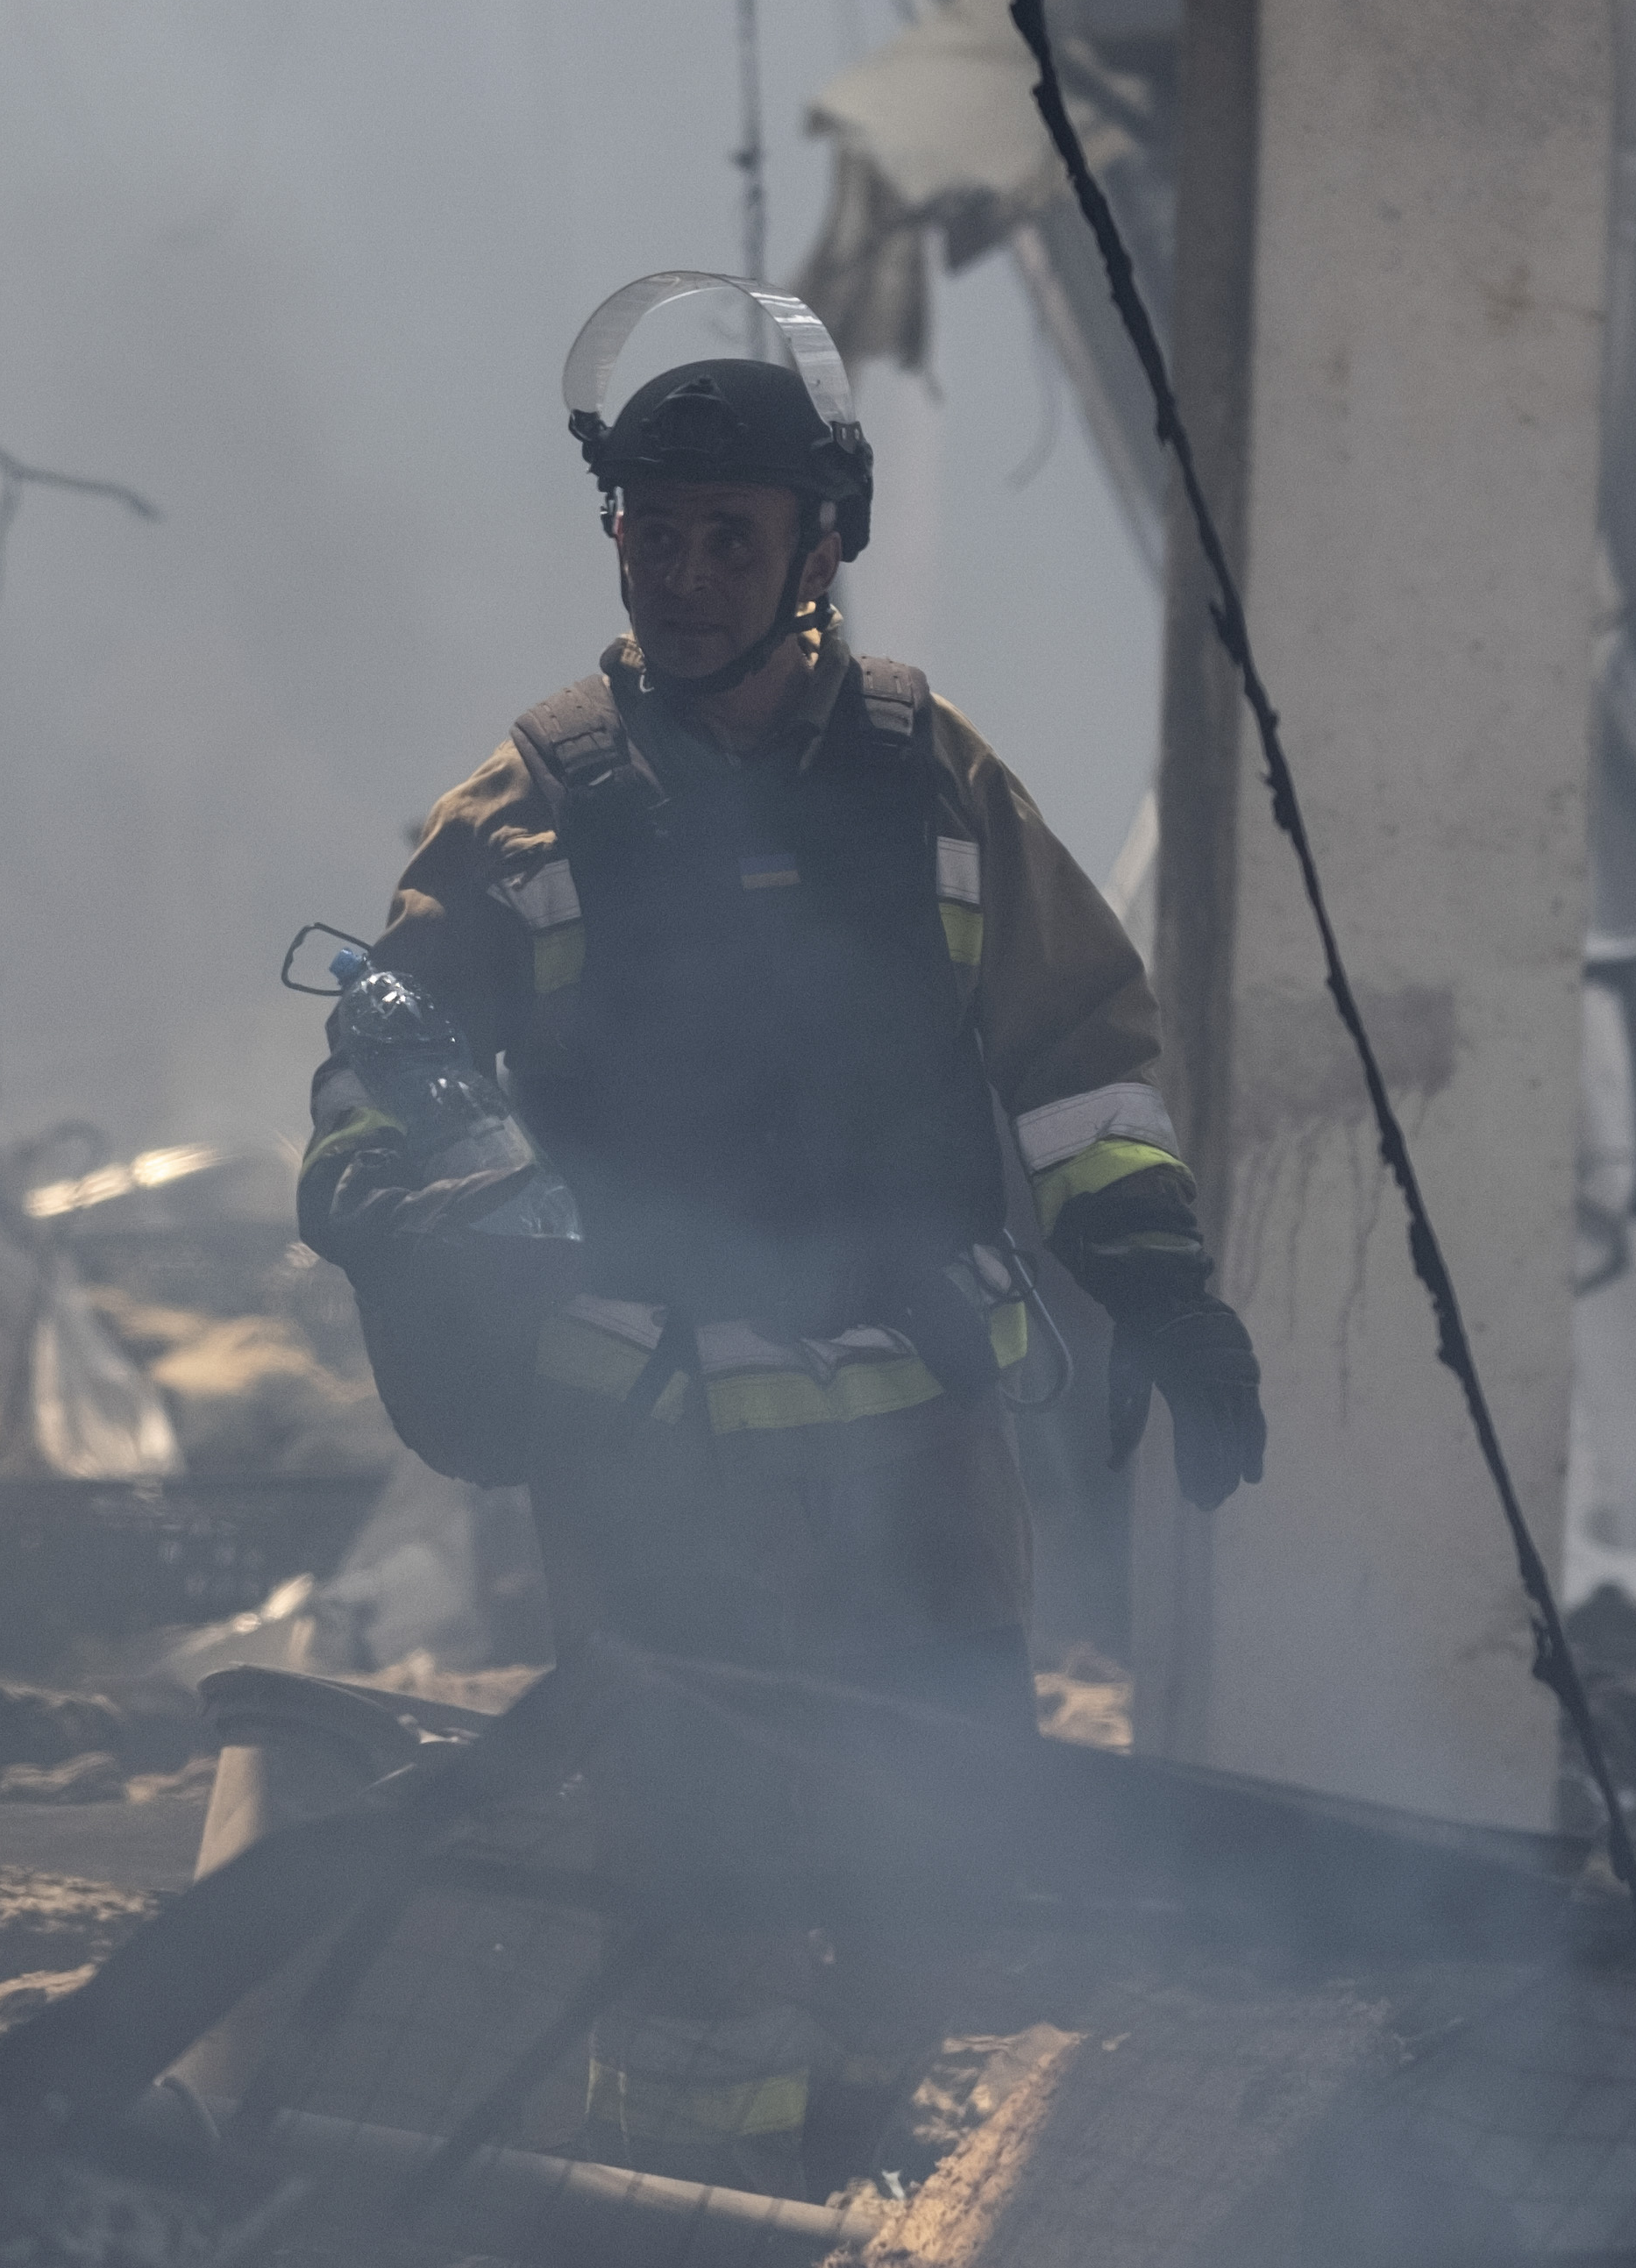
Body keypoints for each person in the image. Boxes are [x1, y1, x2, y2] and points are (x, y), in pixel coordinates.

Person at [297, 272, 1267, 1724]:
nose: (683, 577)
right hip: (650, 1478)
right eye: (655, 534)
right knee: (688, 1843)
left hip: (920, 1466)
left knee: (954, 1837)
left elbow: (1082, 1053)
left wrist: (1158, 1283)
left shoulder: (933, 779)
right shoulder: (524, 811)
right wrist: (375, 1197)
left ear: (819, 554)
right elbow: (388, 1052)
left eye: (728, 539)